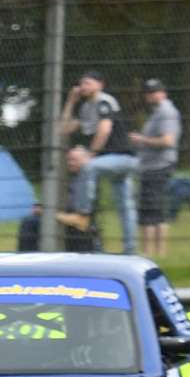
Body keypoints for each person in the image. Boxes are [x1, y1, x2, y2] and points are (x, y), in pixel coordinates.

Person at [61, 71, 138, 254]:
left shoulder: (104, 101)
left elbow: (104, 130)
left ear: (100, 84)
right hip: (110, 160)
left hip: (122, 157)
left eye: (87, 83)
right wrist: (70, 101)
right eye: (81, 83)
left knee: (88, 167)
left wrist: (91, 155)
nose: (83, 87)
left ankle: (82, 214)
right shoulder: (85, 108)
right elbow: (63, 129)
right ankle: (130, 251)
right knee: (125, 206)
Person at [130, 78, 181, 258]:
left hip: (159, 166)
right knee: (152, 210)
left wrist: (141, 140)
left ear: (163, 92)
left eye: (154, 92)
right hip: (150, 166)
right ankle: (152, 253)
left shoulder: (166, 112)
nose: (150, 95)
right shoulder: (158, 112)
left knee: (153, 211)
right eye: (148, 92)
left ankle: (154, 253)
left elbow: (168, 141)